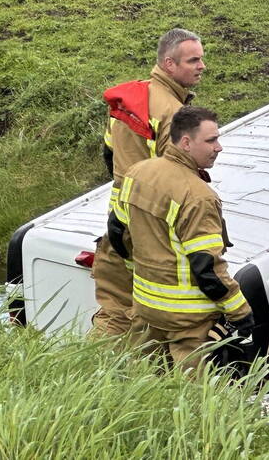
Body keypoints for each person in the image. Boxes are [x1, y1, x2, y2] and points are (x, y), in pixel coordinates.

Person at [112, 105, 253, 369]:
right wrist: (240, 312)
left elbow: (118, 233)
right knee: (197, 399)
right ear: (186, 143)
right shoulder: (199, 196)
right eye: (211, 140)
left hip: (146, 309)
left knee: (147, 389)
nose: (219, 147)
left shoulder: (136, 173)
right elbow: (207, 267)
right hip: (189, 321)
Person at [92, 28, 206, 337]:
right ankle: (139, 380)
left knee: (114, 307)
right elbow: (175, 178)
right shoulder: (174, 113)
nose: (201, 67)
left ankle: (92, 374)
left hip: (118, 220)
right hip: (148, 226)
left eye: (201, 59)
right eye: (193, 60)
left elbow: (109, 153)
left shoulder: (131, 99)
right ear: (170, 64)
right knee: (155, 318)